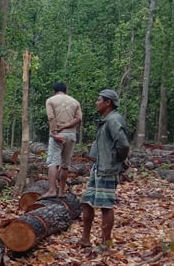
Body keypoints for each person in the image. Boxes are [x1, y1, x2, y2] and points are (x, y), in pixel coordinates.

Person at [79, 88, 130, 248]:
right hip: (99, 167)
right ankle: (85, 240)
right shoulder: (107, 120)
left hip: (107, 169)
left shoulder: (113, 120)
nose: (96, 103)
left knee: (105, 206)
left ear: (108, 102)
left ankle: (105, 243)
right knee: (87, 202)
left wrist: (118, 160)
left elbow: (123, 144)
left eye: (99, 100)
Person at [42, 82, 82, 198]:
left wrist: (55, 133)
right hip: (71, 134)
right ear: (65, 90)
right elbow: (79, 118)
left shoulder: (51, 100)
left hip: (57, 134)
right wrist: (66, 126)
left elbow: (51, 117)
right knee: (65, 164)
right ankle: (61, 192)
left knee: (53, 162)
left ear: (54, 91)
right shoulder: (75, 102)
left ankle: (52, 190)